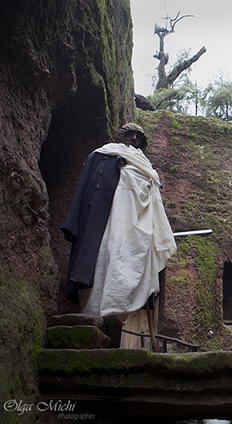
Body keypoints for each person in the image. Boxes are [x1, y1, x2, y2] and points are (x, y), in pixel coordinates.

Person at [61, 123, 176, 348]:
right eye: (131, 136)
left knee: (122, 269)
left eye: (138, 138)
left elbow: (152, 202)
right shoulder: (102, 156)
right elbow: (86, 190)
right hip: (102, 225)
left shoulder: (146, 167)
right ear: (124, 136)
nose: (134, 140)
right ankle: (94, 327)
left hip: (132, 231)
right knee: (100, 266)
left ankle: (111, 331)